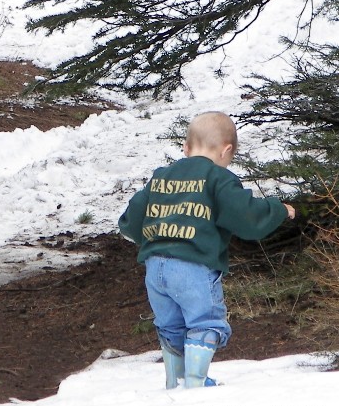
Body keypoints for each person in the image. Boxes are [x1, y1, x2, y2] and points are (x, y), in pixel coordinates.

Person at [118, 111, 296, 389]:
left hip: (155, 268)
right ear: (227, 151)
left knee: (170, 326)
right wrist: (278, 209)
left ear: (186, 148)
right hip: (193, 267)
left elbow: (131, 220)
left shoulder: (161, 177)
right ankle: (196, 383)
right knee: (205, 323)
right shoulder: (218, 179)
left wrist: (158, 238)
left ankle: (173, 381)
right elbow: (248, 218)